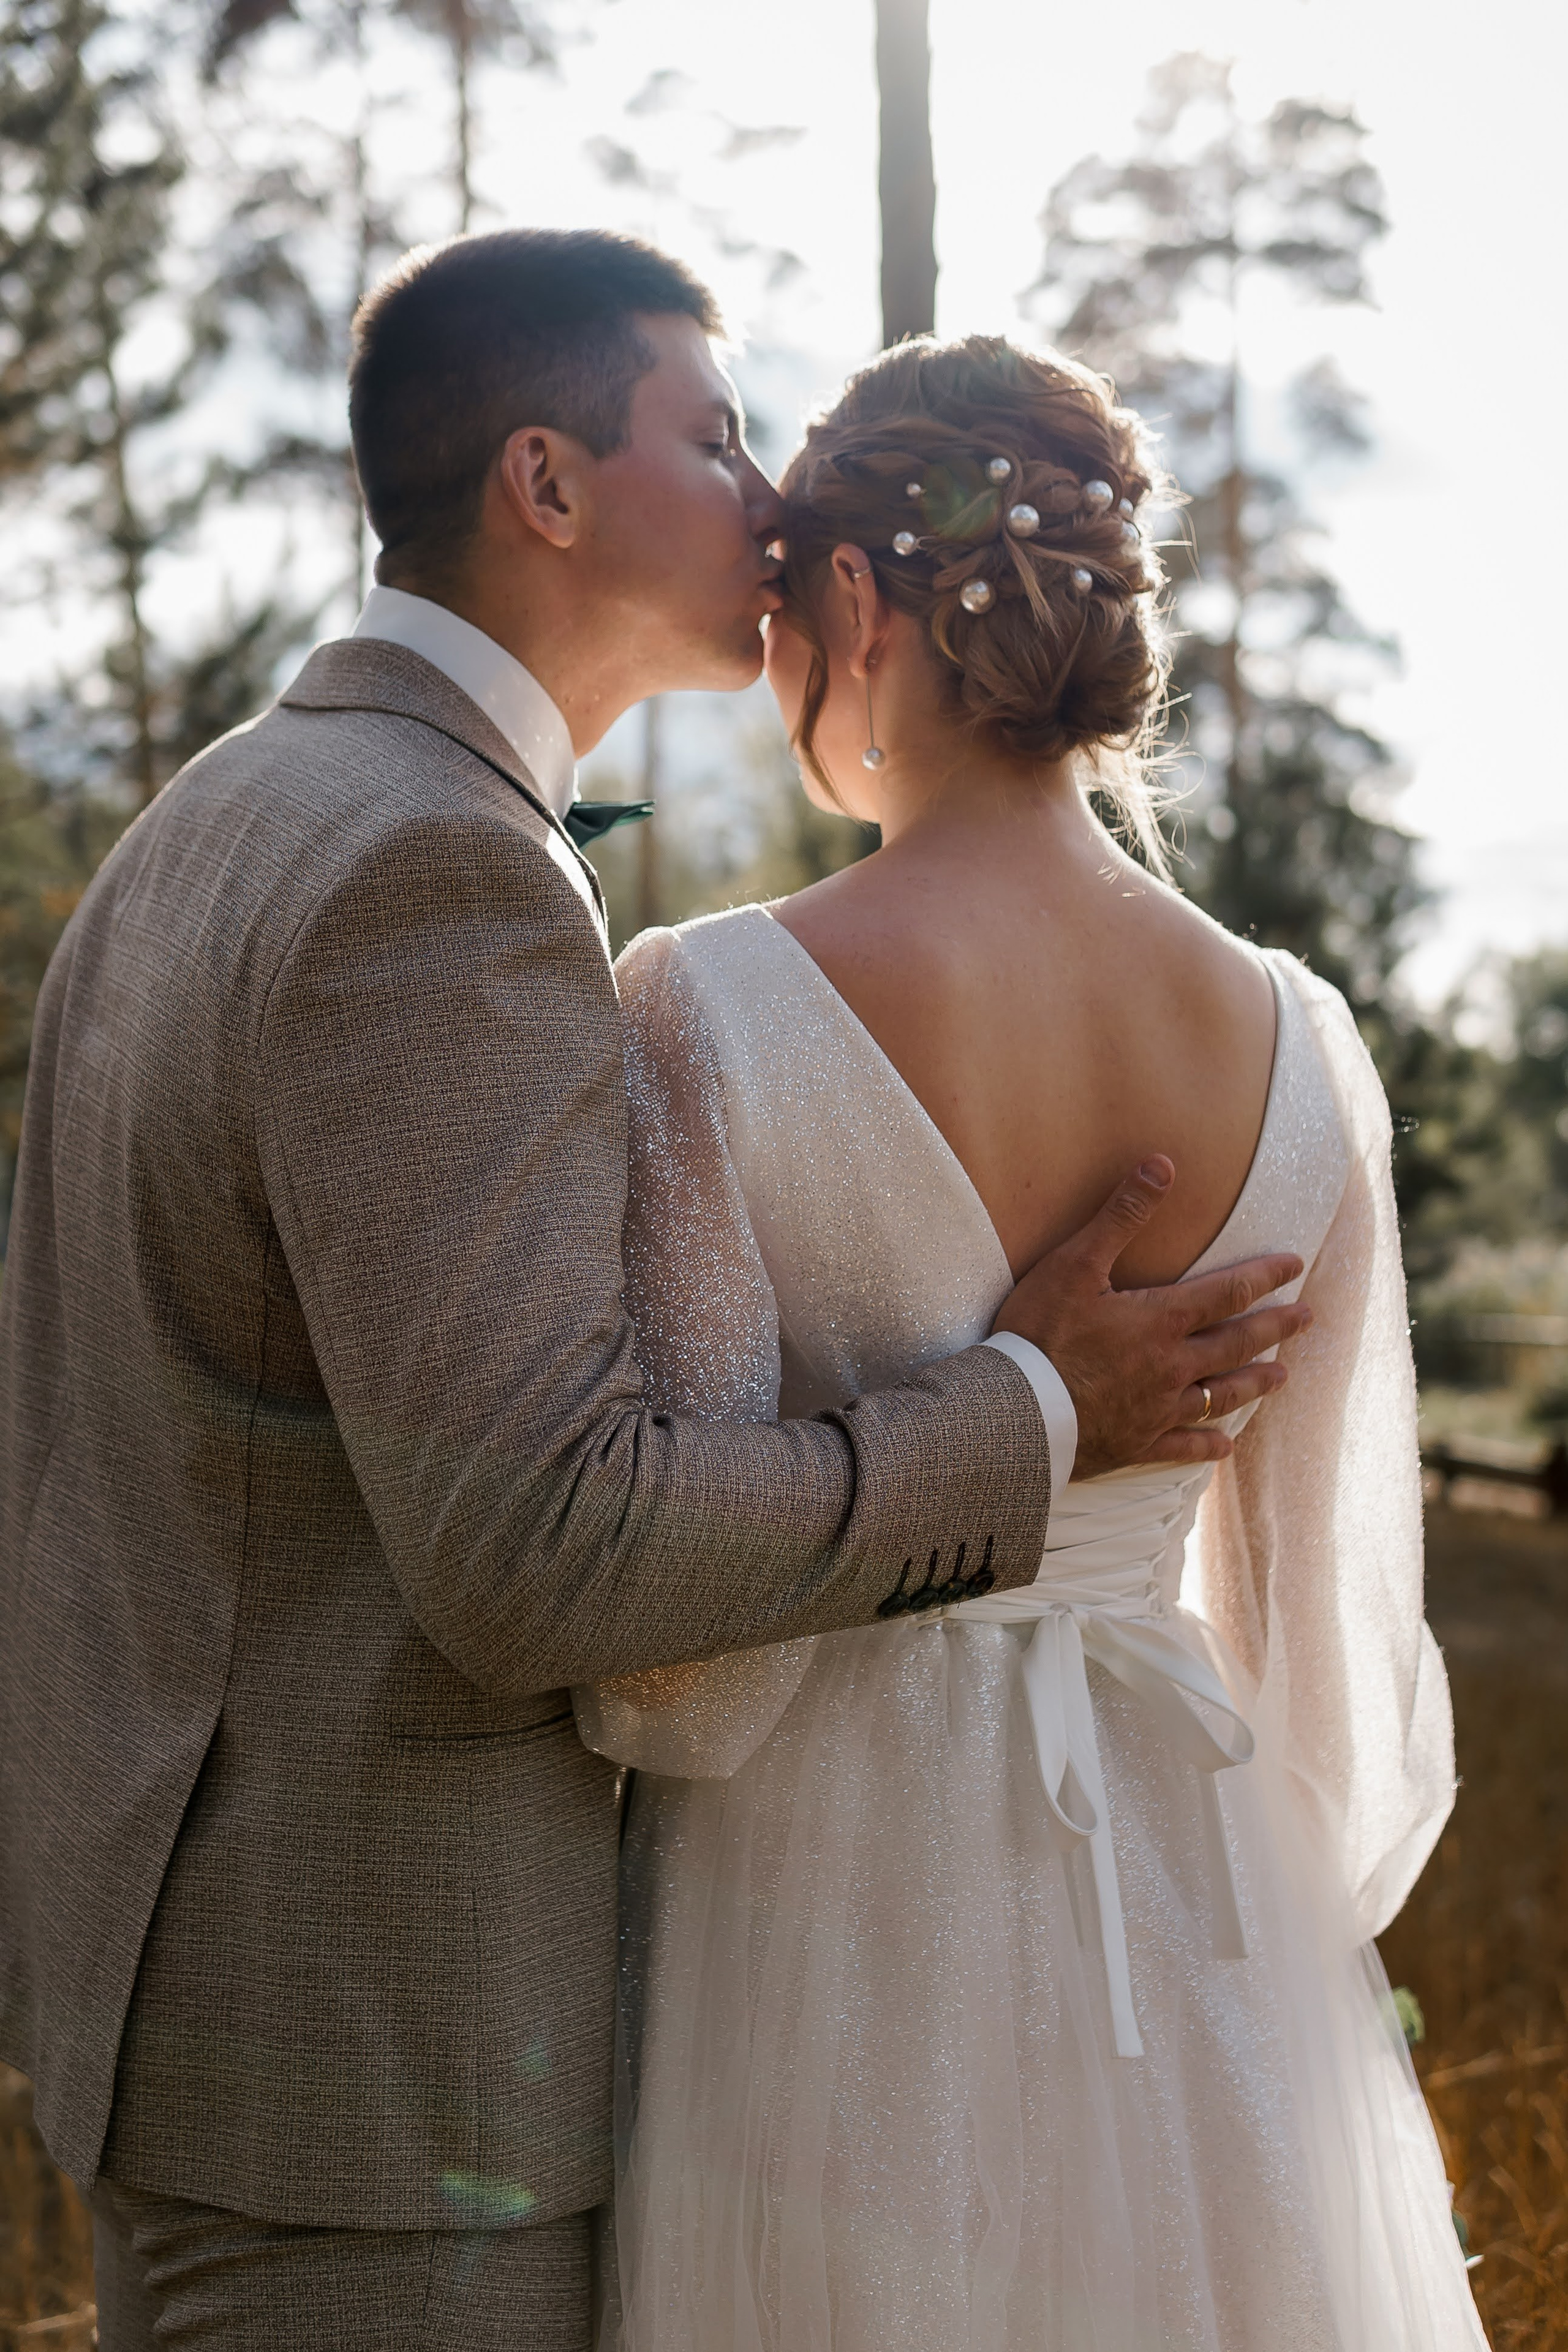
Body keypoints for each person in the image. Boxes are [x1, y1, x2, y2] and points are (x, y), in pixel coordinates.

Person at [0, 235, 1304, 2352]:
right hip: (381, 2088)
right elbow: (536, 1542)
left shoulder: (217, 823)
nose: (769, 502)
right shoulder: (433, 871)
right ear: (547, 484)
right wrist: (1032, 1416)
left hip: (223, 2023)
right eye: (710, 435)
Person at [578, 334, 1487, 2350]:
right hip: (1199, 1880)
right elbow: (1330, 1661)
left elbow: (672, 1672)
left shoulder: (702, 1007)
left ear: (862, 608)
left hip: (827, 1896)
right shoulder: (1297, 1038)